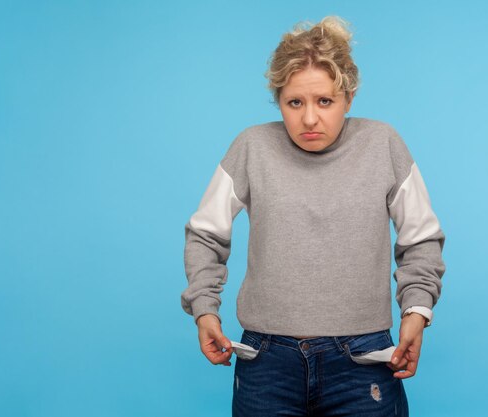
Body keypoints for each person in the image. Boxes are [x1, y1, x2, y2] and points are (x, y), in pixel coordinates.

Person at [181, 15, 446, 417]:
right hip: (266, 362)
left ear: (349, 97)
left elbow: (420, 239)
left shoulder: (383, 144)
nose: (309, 118)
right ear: (278, 101)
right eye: (294, 102)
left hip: (363, 360)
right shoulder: (252, 147)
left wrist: (416, 311)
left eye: (324, 101)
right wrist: (204, 308)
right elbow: (205, 235)